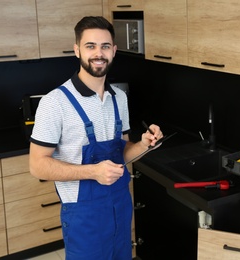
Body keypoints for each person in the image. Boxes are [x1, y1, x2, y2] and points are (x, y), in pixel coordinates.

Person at [29, 16, 163, 260]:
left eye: (104, 46)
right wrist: (93, 172)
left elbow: (122, 154)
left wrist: (144, 145)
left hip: (120, 209)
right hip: (84, 218)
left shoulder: (119, 98)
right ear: (77, 49)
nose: (98, 53)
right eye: (90, 46)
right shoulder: (54, 103)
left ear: (113, 51)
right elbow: (37, 165)